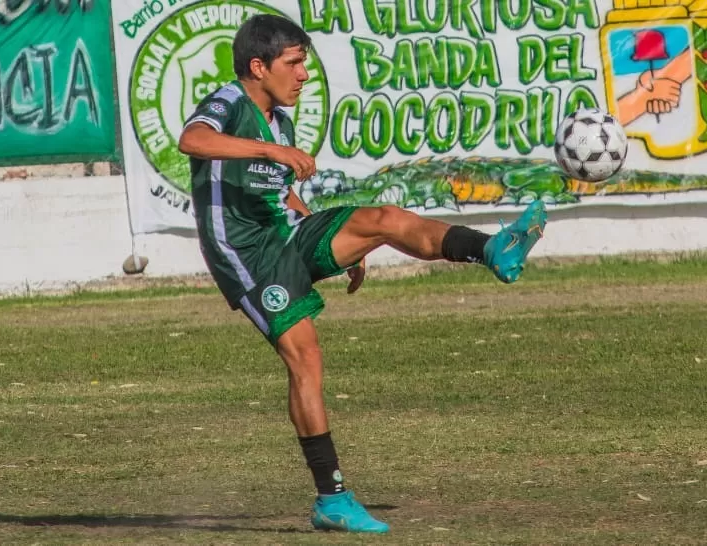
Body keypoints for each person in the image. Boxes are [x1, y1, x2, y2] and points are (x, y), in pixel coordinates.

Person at [178, 14, 547, 534]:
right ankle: (332, 499)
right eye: (294, 63)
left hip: (284, 235)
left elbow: (275, 188)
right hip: (246, 254)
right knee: (305, 359)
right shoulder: (230, 102)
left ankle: (492, 250)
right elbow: (192, 140)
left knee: (381, 220)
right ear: (258, 67)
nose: (304, 74)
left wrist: (341, 245)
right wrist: (270, 149)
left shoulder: (279, 121)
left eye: (304, 62)